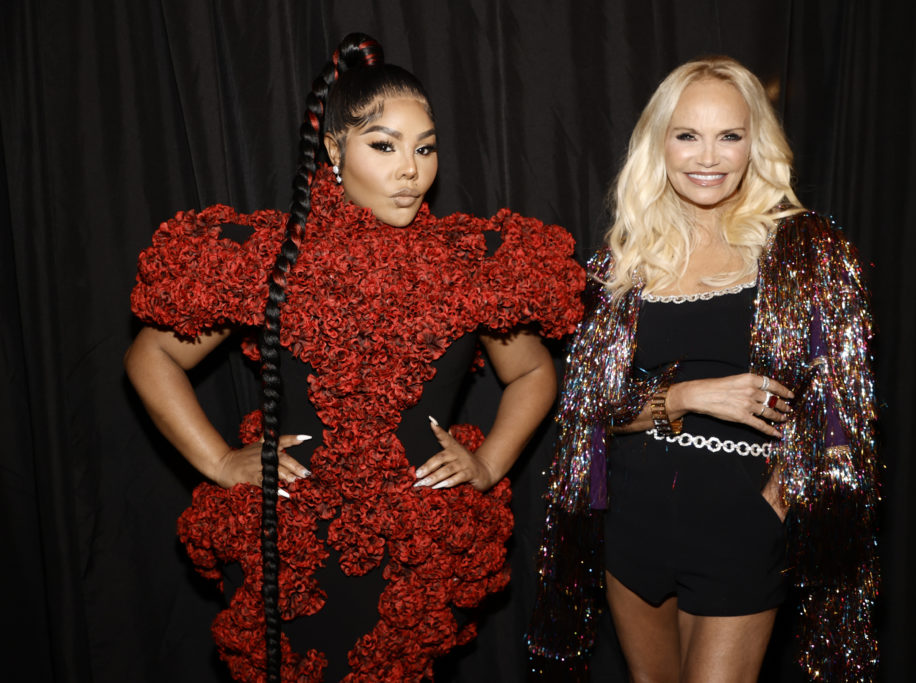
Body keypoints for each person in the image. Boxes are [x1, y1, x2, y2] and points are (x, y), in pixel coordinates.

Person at [124, 33, 584, 683]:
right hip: (293, 543)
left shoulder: (470, 265)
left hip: (415, 548)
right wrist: (220, 460)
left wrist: (487, 462)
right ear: (334, 152)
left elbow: (535, 371)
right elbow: (151, 357)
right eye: (384, 145)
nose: (410, 169)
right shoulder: (270, 258)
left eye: (425, 147)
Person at [527, 56, 879, 682]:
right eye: (687, 135)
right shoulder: (625, 260)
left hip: (739, 518)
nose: (707, 157)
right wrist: (687, 394)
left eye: (730, 136)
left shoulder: (805, 250)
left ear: (755, 145)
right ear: (658, 143)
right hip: (632, 515)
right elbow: (592, 410)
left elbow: (842, 414)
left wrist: (780, 501)